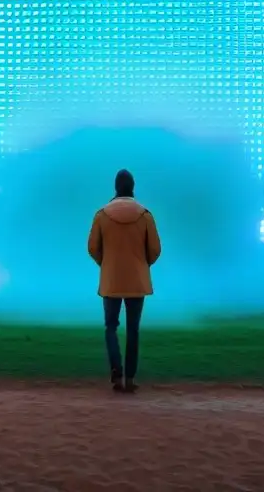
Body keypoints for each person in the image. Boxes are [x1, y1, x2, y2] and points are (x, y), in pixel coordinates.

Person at [87, 169, 162, 394]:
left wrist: (106, 263)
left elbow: (92, 247)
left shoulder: (101, 215)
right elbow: (155, 250)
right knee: (133, 330)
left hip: (111, 280)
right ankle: (129, 378)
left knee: (111, 327)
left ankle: (116, 371)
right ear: (133, 187)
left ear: (115, 188)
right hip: (136, 281)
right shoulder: (145, 215)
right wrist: (141, 265)